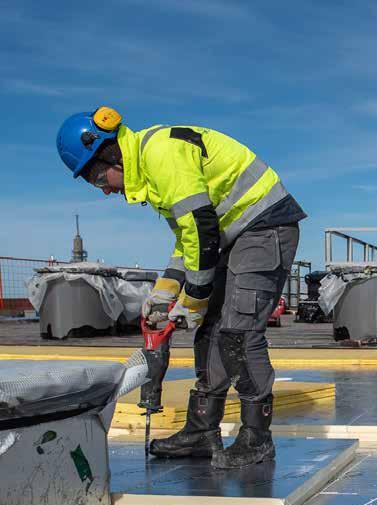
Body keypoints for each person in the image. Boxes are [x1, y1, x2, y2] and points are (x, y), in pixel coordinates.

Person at [56, 106, 307, 468]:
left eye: (98, 180)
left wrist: (194, 297)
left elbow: (203, 231)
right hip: (230, 233)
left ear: (109, 154)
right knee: (210, 333)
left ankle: (257, 437)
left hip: (264, 224)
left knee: (238, 330)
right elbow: (188, 240)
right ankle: (202, 431)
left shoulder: (160, 155)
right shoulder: (152, 170)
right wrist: (164, 292)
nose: (106, 192)